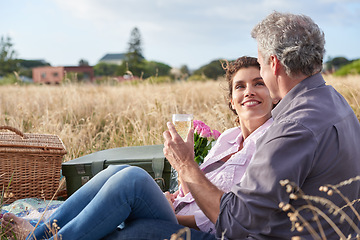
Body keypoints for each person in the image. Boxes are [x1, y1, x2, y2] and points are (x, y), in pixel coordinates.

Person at [103, 11, 360, 239]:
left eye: (259, 66)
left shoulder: (294, 126)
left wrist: (184, 164)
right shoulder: (335, 102)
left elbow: (233, 224)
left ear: (273, 64)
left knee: (133, 227)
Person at [1, 56, 276, 240]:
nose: (249, 91)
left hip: (212, 231)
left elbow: (228, 216)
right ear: (231, 100)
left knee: (132, 180)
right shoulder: (227, 138)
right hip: (178, 212)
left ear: (272, 95)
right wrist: (183, 170)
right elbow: (193, 190)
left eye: (259, 83)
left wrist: (178, 200)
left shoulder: (273, 142)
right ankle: (39, 231)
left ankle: (39, 235)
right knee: (120, 172)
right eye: (240, 86)